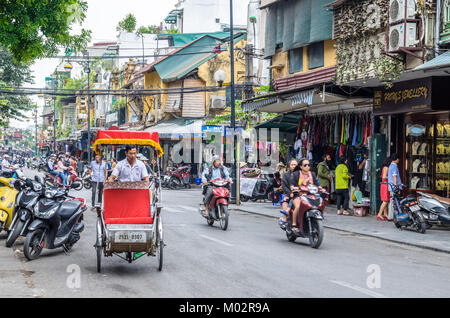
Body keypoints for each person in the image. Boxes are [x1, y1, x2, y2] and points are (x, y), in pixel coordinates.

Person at [280, 159, 299, 230]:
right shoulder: (286, 175)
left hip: (299, 194)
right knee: (285, 201)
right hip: (289, 194)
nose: (294, 166)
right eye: (292, 165)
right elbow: (284, 186)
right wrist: (289, 193)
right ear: (289, 166)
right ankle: (284, 219)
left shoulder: (300, 174)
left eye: (295, 165)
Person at [387, 153, 402, 221]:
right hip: (394, 187)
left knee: (392, 201)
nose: (399, 160)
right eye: (398, 159)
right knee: (394, 202)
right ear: (396, 159)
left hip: (391, 187)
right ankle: (391, 216)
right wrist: (396, 187)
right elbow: (394, 176)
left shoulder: (390, 166)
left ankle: (391, 216)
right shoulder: (394, 166)